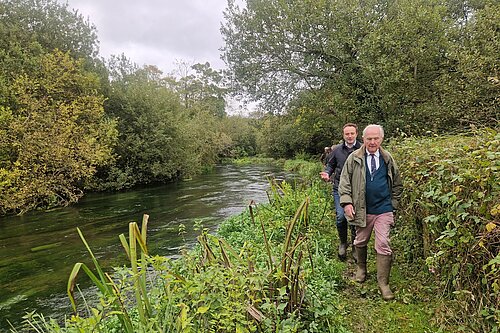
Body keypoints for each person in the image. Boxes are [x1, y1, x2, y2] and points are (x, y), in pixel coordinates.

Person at [338, 124, 403, 301]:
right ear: (363, 140)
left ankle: (383, 283)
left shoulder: (387, 158)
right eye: (369, 139)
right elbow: (344, 183)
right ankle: (362, 269)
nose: (372, 142)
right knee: (360, 240)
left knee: (382, 243)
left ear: (381, 139)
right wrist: (347, 203)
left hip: (383, 209)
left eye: (376, 138)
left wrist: (393, 204)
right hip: (362, 209)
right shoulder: (354, 158)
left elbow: (397, 184)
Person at [320, 123, 361, 260]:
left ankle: (356, 246)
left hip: (357, 189)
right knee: (341, 217)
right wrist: (327, 174)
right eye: (347, 134)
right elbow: (330, 166)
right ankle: (343, 243)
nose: (349, 136)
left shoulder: (362, 149)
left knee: (355, 217)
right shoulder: (336, 150)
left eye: (352, 133)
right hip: (340, 188)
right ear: (343, 135)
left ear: (356, 134)